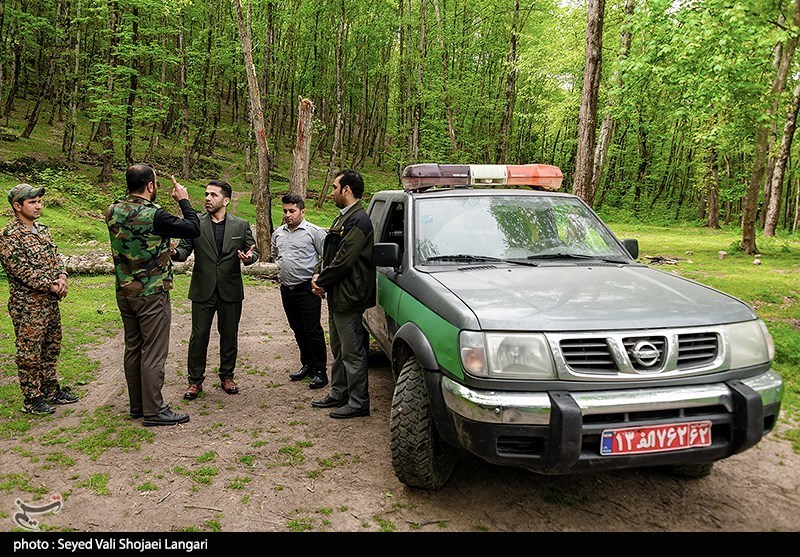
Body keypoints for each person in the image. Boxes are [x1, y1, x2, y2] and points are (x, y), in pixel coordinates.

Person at [106, 164, 200, 426]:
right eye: (155, 183)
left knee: (133, 348)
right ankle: (155, 410)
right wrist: (184, 201)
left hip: (124, 291)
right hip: (152, 292)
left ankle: (138, 405)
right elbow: (193, 228)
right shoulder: (155, 215)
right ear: (150, 186)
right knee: (154, 352)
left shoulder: (113, 210)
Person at [171, 179, 259, 400]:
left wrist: (249, 258)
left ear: (226, 200)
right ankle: (195, 381)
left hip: (230, 289)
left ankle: (227, 377)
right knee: (199, 335)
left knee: (229, 334)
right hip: (203, 289)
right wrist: (173, 252)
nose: (208, 198)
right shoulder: (195, 223)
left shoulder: (241, 224)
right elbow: (183, 252)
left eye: (213, 195)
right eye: (206, 194)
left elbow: (253, 252)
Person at [0, 183, 78, 415]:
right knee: (29, 351)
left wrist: (62, 276)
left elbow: (56, 257)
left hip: (49, 302)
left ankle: (50, 389)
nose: (38, 206)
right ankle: (32, 398)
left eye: (39, 201)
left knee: (51, 347)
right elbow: (20, 270)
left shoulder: (42, 230)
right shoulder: (8, 236)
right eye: (32, 202)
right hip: (28, 305)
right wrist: (51, 285)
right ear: (17, 206)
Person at [310, 169, 376, 419]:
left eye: (335, 187)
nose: (331, 193)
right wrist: (319, 275)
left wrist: (321, 281)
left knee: (352, 351)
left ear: (347, 190)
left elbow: (344, 260)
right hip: (337, 295)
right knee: (338, 347)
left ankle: (359, 402)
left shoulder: (358, 220)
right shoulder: (342, 218)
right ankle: (339, 392)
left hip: (349, 296)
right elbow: (330, 254)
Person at [271, 193, 328, 389]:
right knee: (297, 329)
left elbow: (327, 256)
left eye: (292, 211)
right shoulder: (278, 233)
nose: (288, 214)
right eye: (285, 210)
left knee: (313, 330)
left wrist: (318, 277)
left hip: (307, 289)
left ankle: (321, 370)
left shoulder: (314, 232)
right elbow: (275, 255)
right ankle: (308, 364)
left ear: (302, 212)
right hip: (287, 289)